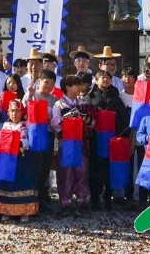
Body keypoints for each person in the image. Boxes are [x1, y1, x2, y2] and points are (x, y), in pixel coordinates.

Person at [84, 69, 130, 211]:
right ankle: (95, 198)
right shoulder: (90, 97)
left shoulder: (116, 97)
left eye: (108, 77)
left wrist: (120, 135)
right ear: (96, 80)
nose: (105, 79)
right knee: (95, 169)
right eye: (102, 77)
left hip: (112, 139)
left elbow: (123, 118)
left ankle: (108, 198)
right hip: (95, 139)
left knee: (110, 169)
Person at [50, 75, 92, 215]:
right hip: (66, 142)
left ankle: (81, 199)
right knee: (66, 171)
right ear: (68, 87)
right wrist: (65, 119)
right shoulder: (59, 104)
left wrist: (85, 118)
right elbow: (54, 123)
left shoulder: (82, 104)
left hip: (81, 141)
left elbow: (92, 123)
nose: (80, 87)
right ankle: (65, 200)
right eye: (76, 85)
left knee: (82, 169)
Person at [0, 99, 37, 222]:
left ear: (21, 112)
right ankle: (4, 210)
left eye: (17, 111)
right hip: (7, 159)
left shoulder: (25, 125)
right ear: (8, 112)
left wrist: (17, 143)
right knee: (5, 184)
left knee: (22, 184)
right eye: (12, 111)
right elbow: (1, 140)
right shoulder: (5, 125)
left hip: (22, 160)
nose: (14, 114)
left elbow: (29, 142)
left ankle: (24, 211)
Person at [22, 63, 58, 214]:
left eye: (51, 83)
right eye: (46, 82)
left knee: (45, 167)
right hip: (34, 136)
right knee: (34, 167)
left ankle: (42, 199)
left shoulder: (54, 99)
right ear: (39, 81)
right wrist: (29, 95)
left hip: (48, 135)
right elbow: (23, 110)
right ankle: (31, 199)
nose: (48, 86)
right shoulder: (32, 94)